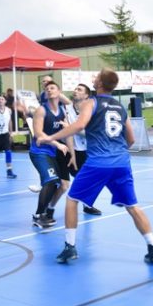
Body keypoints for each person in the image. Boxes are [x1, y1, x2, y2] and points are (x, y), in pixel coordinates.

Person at [38, 68, 153, 265]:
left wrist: (50, 137)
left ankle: (70, 247)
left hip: (98, 162)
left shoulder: (91, 103)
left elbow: (79, 126)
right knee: (132, 205)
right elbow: (130, 138)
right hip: (121, 162)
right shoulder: (120, 107)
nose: (93, 78)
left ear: (100, 84)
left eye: (96, 77)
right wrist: (116, 150)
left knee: (72, 199)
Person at [29, 81, 74, 228]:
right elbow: (38, 134)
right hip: (39, 151)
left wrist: (72, 154)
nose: (49, 90)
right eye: (47, 89)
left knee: (58, 184)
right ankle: (38, 215)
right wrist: (57, 143)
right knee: (50, 180)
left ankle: (46, 212)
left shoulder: (62, 111)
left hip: (53, 153)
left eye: (52, 88)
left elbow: (68, 133)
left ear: (59, 91)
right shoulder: (41, 110)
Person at [63, 84, 102, 216]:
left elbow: (89, 133)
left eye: (79, 90)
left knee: (87, 179)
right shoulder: (66, 109)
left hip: (87, 150)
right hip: (69, 150)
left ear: (86, 95)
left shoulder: (91, 111)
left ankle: (87, 204)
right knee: (62, 181)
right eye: (75, 89)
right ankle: (46, 207)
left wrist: (74, 128)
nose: (75, 91)